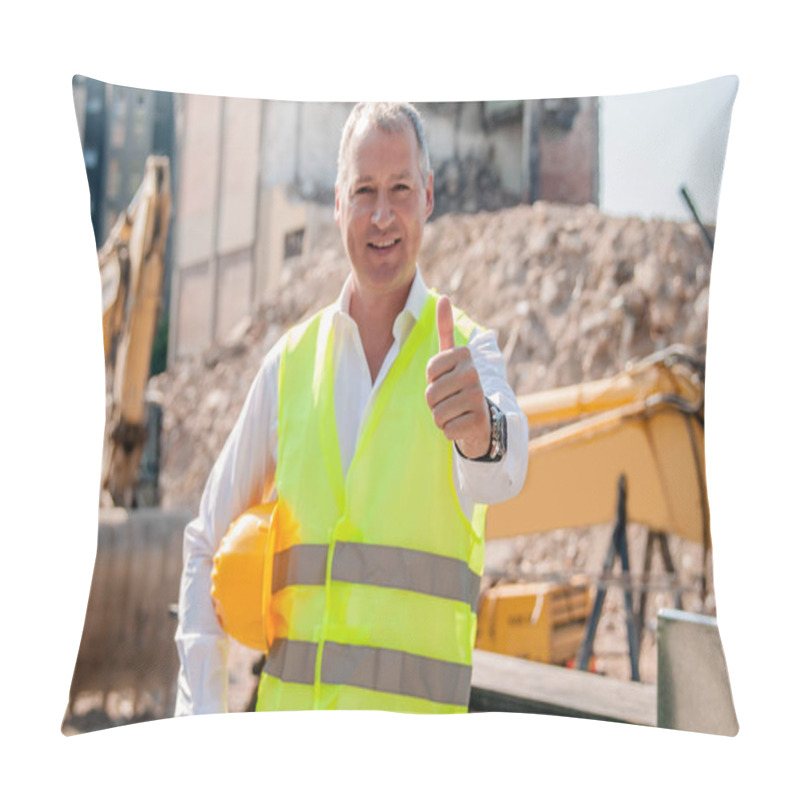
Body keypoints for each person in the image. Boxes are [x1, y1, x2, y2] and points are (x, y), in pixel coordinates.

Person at [174, 101, 528, 715]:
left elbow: (503, 468)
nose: (383, 215)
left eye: (400, 189)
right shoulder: (289, 364)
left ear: (428, 197)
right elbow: (205, 540)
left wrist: (480, 432)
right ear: (338, 202)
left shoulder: (467, 354)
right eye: (364, 190)